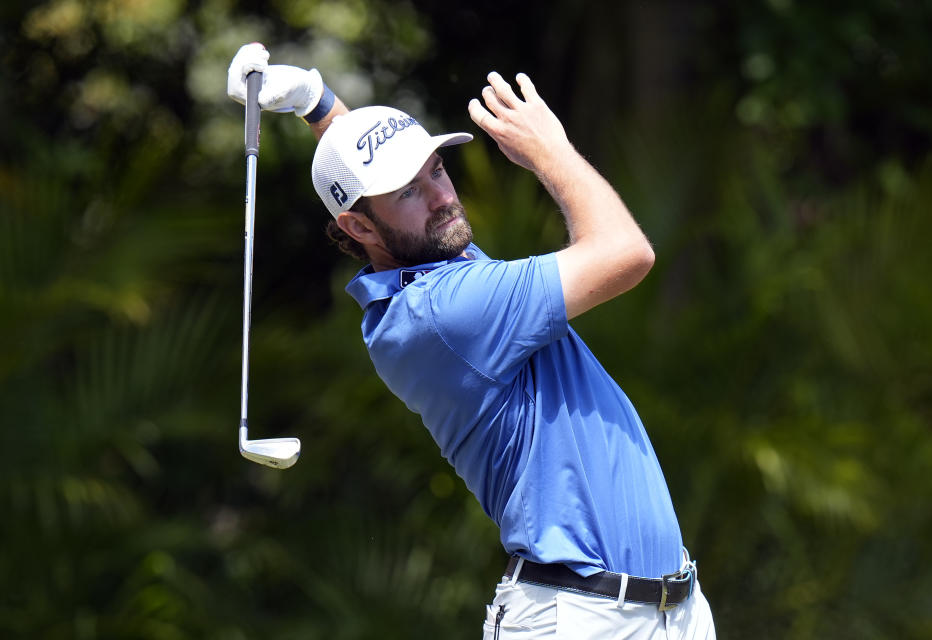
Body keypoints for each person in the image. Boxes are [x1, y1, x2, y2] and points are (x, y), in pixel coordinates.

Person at [227, 43, 716, 639]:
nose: (441, 197)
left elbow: (367, 181)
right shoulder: (446, 310)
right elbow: (627, 254)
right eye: (411, 190)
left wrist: (316, 102)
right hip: (582, 620)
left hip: (666, 610)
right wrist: (550, 152)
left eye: (436, 169)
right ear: (357, 228)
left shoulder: (426, 266)